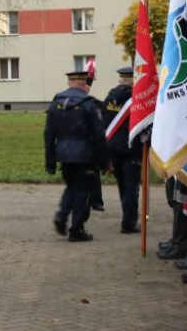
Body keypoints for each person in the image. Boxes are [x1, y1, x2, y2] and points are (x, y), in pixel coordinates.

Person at [44, 69, 108, 242]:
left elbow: (49, 134)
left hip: (63, 154)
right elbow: (99, 134)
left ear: (70, 82)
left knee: (71, 186)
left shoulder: (56, 102)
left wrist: (50, 160)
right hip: (84, 155)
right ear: (82, 84)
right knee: (82, 191)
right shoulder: (88, 103)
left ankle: (61, 215)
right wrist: (104, 161)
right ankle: (76, 229)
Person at [102, 66, 143, 233]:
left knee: (123, 186)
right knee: (131, 187)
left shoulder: (109, 98)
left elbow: (104, 122)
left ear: (120, 80)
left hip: (112, 148)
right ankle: (129, 222)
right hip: (131, 148)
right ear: (134, 81)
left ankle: (128, 217)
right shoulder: (137, 99)